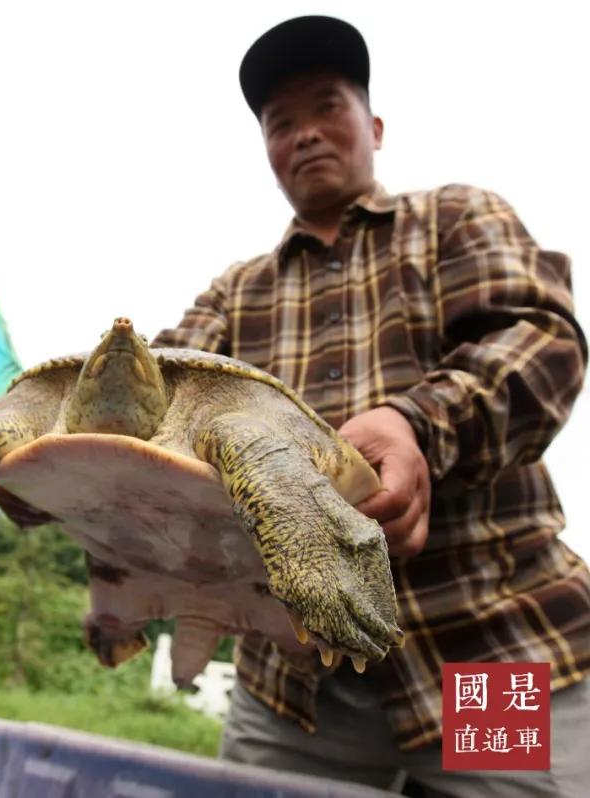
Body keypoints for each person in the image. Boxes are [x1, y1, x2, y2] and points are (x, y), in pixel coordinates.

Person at [153, 15, 590, 796]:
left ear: (375, 127)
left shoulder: (454, 218)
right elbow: (157, 395)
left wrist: (419, 423)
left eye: (328, 106)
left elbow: (539, 339)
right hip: (294, 684)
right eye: (280, 122)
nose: (305, 133)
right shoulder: (236, 293)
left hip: (480, 647)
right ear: (268, 151)